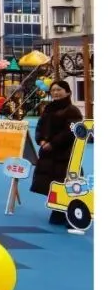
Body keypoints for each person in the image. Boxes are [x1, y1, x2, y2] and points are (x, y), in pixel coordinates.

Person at [31, 80, 83, 223]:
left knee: (65, 182)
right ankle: (58, 210)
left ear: (68, 92)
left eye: (59, 89)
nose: (55, 92)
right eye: (53, 90)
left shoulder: (72, 110)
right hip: (48, 153)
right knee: (51, 182)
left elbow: (71, 131)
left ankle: (68, 213)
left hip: (64, 154)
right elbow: (40, 126)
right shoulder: (48, 108)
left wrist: (53, 144)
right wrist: (41, 140)